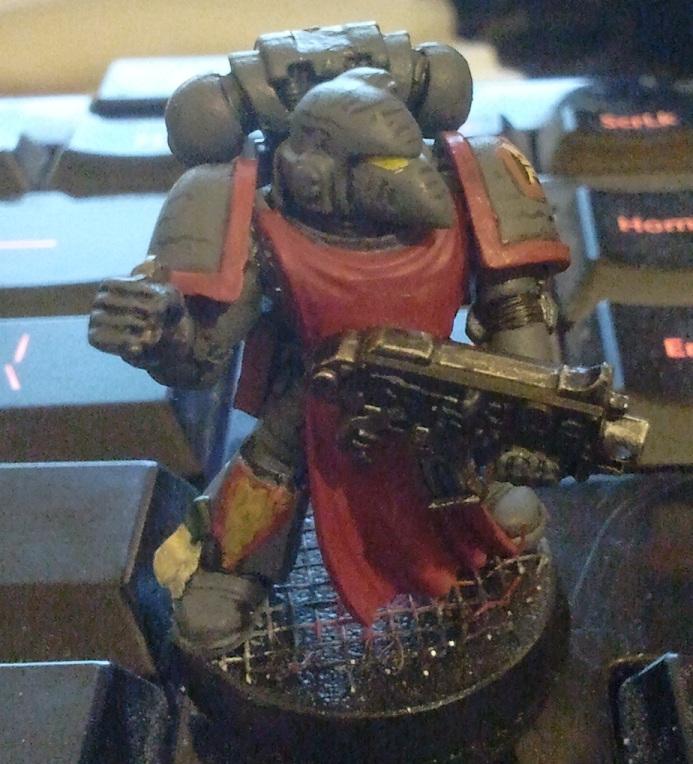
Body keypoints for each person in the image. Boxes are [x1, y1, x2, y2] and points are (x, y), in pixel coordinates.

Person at [88, 31, 569, 658]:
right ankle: (232, 566)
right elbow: (203, 356)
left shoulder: (472, 179)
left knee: (473, 472)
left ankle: (473, 514)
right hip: (314, 384)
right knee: (273, 463)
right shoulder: (254, 214)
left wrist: (529, 418)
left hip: (437, 378)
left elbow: (518, 309)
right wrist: (160, 331)